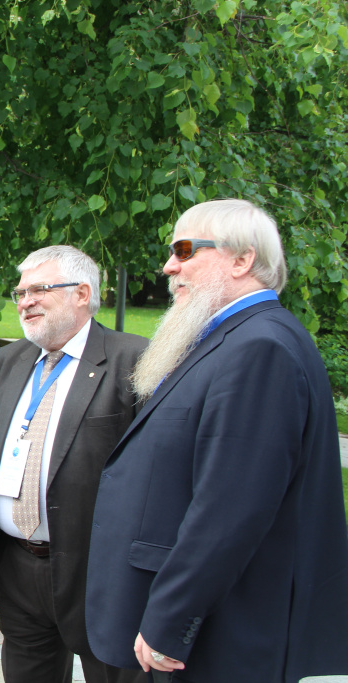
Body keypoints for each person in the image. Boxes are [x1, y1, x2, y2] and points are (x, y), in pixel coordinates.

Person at [86, 199, 348, 682]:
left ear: (242, 259)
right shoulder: (233, 336)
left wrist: (169, 620)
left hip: (220, 636)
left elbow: (230, 510)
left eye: (184, 250)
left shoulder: (261, 348)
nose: (169, 267)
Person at [0, 246, 146, 683]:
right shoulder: (10, 360)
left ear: (82, 293)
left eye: (39, 289)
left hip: (98, 573)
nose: (25, 301)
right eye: (20, 292)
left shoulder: (133, 359)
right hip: (18, 566)